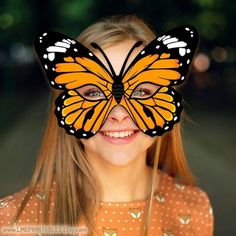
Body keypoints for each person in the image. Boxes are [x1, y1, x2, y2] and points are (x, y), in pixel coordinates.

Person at [0, 15, 214, 236]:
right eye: (94, 93)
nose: (118, 114)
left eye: (141, 92)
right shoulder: (13, 220)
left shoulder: (194, 208)